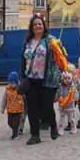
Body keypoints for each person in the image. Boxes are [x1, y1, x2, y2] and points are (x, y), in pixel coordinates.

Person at [20, 14, 62, 144]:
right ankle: (35, 135)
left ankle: (53, 125)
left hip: (47, 79)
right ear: (31, 28)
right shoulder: (28, 42)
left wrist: (58, 47)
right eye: (35, 24)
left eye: (40, 24)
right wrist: (23, 76)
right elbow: (23, 59)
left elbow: (60, 56)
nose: (38, 26)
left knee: (47, 106)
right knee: (32, 108)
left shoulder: (51, 40)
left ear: (44, 26)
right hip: (31, 79)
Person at [2, 71, 25, 140]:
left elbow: (25, 98)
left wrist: (25, 107)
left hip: (19, 110)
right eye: (10, 83)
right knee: (10, 122)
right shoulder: (7, 89)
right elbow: (4, 99)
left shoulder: (20, 88)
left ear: (17, 82)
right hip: (10, 109)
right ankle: (16, 130)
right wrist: (3, 108)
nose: (12, 84)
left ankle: (15, 135)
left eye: (14, 83)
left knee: (16, 123)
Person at [56, 70, 78, 135]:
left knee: (71, 119)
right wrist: (57, 98)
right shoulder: (60, 86)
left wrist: (74, 98)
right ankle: (60, 129)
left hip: (70, 105)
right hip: (62, 105)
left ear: (71, 79)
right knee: (62, 118)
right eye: (65, 78)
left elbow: (76, 95)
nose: (67, 80)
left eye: (69, 78)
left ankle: (73, 127)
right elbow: (58, 94)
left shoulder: (73, 87)